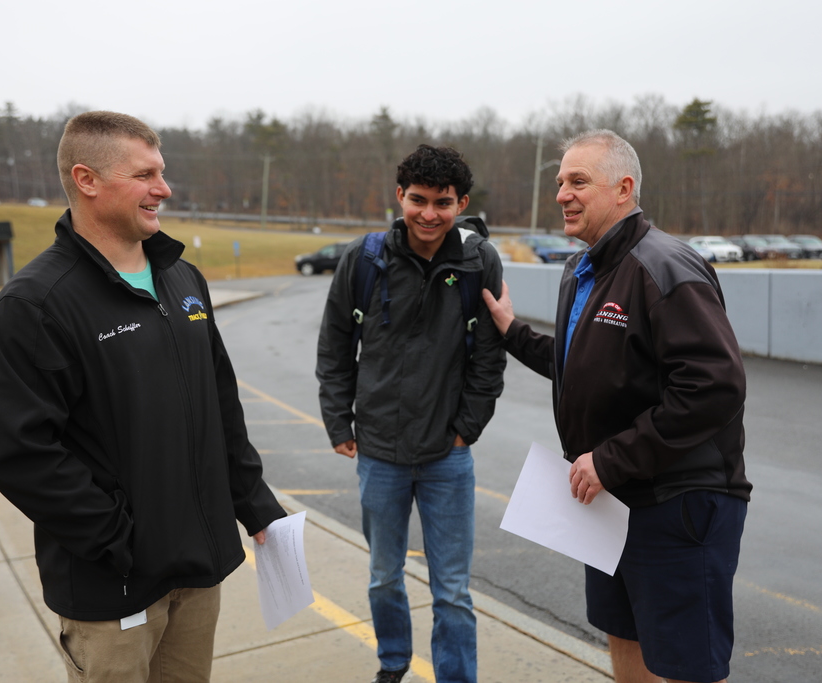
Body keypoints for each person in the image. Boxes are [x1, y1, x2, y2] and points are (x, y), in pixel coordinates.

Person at [0, 111, 286, 683]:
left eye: (161, 173)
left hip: (197, 573)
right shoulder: (34, 306)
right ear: (87, 180)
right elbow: (21, 455)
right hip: (113, 587)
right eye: (144, 175)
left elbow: (220, 402)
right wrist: (119, 540)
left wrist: (253, 501)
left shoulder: (183, 279)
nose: (163, 189)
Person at [482, 130, 751, 683]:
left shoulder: (664, 266)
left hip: (676, 504)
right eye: (560, 182)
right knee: (623, 636)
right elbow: (583, 362)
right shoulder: (583, 268)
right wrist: (512, 334)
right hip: (611, 503)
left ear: (623, 188)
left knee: (685, 664)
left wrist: (611, 459)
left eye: (578, 181)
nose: (562, 194)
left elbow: (714, 386)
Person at [316, 144, 506, 683]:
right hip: (380, 453)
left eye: (442, 202)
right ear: (399, 196)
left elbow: (489, 359)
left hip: (448, 457)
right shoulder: (364, 259)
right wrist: (339, 421)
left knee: (452, 591)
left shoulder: (478, 262)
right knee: (383, 577)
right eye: (417, 200)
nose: (429, 214)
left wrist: (467, 430)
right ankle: (393, 664)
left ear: (460, 201)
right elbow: (334, 348)